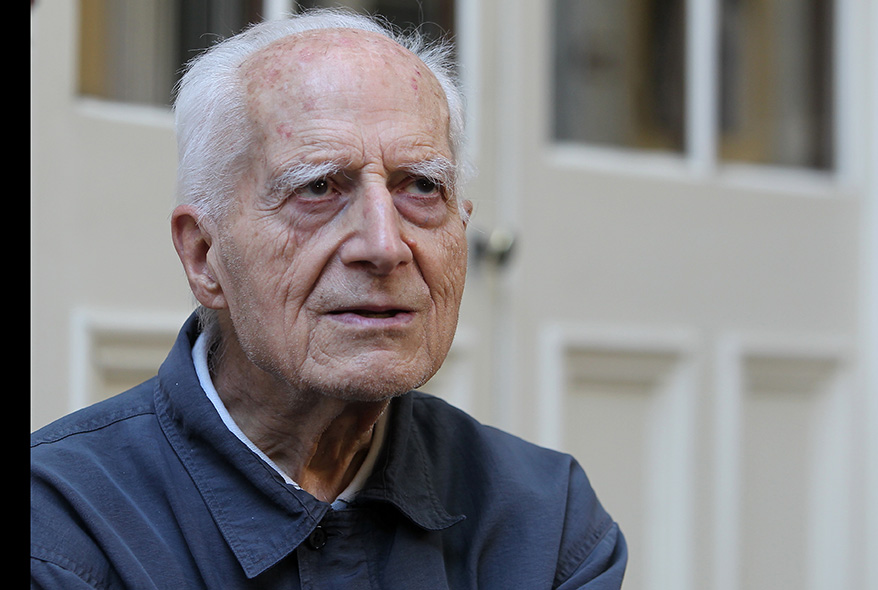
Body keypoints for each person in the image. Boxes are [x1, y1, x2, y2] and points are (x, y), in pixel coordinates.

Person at [30, 8, 627, 589]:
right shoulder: (63, 528)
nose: (384, 245)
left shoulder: (542, 519)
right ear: (204, 255)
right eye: (317, 187)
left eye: (422, 187)